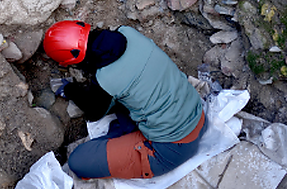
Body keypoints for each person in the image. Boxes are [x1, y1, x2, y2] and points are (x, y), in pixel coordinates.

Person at [42, 20, 207, 180]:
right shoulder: (128, 32)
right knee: (121, 103)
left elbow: (94, 112)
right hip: (197, 114)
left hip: (172, 147)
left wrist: (70, 89)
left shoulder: (107, 80)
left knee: (78, 161)